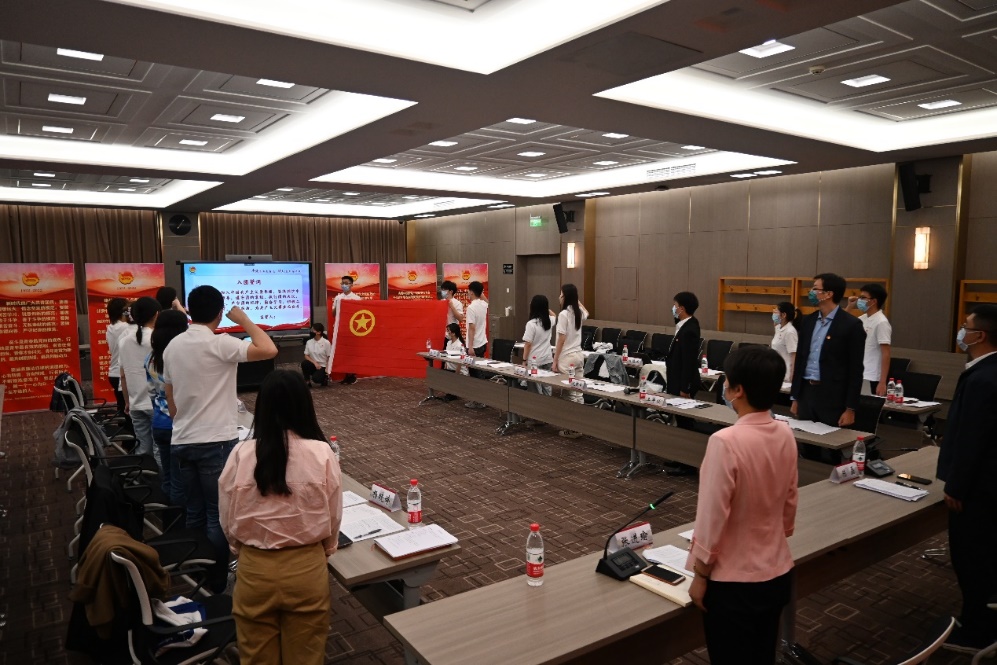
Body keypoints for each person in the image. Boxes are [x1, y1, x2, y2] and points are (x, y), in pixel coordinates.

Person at [219, 370, 342, 665]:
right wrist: (326, 548)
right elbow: (334, 514)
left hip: (255, 569)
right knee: (306, 657)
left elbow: (227, 515)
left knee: (256, 657)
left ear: (262, 407)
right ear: (304, 406)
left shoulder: (241, 453)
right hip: (306, 567)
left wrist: (239, 548)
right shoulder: (323, 453)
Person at [687, 346, 798, 665]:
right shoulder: (785, 433)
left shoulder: (725, 442)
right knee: (762, 656)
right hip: (776, 572)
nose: (723, 387)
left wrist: (701, 574)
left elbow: (712, 517)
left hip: (733, 585)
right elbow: (790, 499)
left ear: (738, 391)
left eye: (726, 382)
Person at [164, 285, 278, 591]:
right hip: (215, 441)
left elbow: (171, 400)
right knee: (217, 515)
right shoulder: (221, 343)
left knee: (194, 510)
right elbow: (269, 349)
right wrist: (244, 320)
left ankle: (197, 573)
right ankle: (215, 582)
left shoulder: (173, 346)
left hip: (182, 439)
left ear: (190, 310)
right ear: (219, 312)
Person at [937, 304, 997, 655]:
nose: (961, 330)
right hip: (988, 484)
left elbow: (972, 438)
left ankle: (977, 633)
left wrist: (956, 485)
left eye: (966, 326)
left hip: (976, 490)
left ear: (980, 336)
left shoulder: (983, 379)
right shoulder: (986, 371)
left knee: (972, 559)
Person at [790, 273, 865, 431]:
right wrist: (795, 396)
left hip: (833, 396)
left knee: (831, 442)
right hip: (806, 393)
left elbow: (856, 369)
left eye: (815, 289)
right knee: (805, 440)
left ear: (828, 294)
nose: (811, 292)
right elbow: (800, 360)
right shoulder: (808, 321)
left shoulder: (851, 325)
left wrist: (850, 408)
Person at [145, 309, 188, 505]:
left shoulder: (150, 358)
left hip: (159, 422)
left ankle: (167, 511)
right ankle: (177, 517)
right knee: (180, 480)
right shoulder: (180, 358)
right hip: (177, 424)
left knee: (168, 476)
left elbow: (151, 392)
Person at [117, 296, 159, 457]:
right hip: (156, 405)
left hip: (135, 403)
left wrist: (127, 401)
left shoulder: (124, 341)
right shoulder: (156, 339)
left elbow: (123, 376)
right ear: (156, 314)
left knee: (143, 448)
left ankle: (144, 472)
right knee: (159, 450)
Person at [552, 284, 589, 438]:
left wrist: (555, 361)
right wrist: (576, 300)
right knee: (578, 393)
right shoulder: (578, 312)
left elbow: (561, 339)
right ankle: (580, 425)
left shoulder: (564, 314)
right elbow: (587, 312)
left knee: (569, 394)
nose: (559, 297)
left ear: (566, 297)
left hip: (567, 358)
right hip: (579, 356)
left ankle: (572, 428)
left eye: (561, 294)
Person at [845, 283, 892, 397]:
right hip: (859, 372)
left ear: (873, 301)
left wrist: (882, 382)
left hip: (872, 376)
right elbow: (841, 323)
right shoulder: (862, 319)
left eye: (863, 297)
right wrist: (849, 306)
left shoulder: (881, 322)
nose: (859, 300)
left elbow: (886, 353)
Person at [666, 291, 703, 399]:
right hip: (675, 378)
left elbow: (689, 360)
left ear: (681, 308)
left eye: (675, 305)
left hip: (682, 383)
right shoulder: (684, 324)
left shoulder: (689, 330)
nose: (673, 308)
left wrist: (685, 388)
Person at [522, 295, 556, 396]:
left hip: (534, 360)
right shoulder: (549, 321)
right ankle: (547, 404)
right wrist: (545, 308)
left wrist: (524, 360)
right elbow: (554, 315)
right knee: (547, 387)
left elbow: (528, 344)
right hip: (547, 358)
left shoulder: (531, 324)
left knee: (535, 389)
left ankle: (537, 405)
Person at [464, 280, 489, 409]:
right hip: (482, 342)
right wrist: (481, 293)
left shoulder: (471, 307)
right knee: (480, 372)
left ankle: (479, 399)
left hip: (474, 345)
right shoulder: (483, 304)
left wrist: (470, 346)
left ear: (472, 292)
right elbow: (487, 301)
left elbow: (472, 328)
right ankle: (481, 398)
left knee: (474, 374)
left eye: (469, 291)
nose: (467, 293)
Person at [332, 275, 360, 385]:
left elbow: (359, 314)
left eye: (346, 283)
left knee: (351, 352)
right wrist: (338, 306)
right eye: (342, 283)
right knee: (343, 352)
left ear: (351, 285)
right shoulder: (338, 298)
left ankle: (352, 374)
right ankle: (346, 374)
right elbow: (333, 314)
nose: (344, 285)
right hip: (340, 328)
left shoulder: (356, 298)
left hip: (352, 329)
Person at [105, 297, 131, 415]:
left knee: (122, 408)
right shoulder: (125, 327)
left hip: (113, 373)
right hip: (121, 374)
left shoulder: (110, 328)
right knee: (127, 411)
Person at [770, 301, 801, 383]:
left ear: (784, 315)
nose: (774, 313)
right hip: (776, 370)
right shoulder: (778, 328)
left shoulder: (790, 331)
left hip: (786, 375)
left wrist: (792, 376)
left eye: (776, 312)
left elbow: (794, 355)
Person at [301, 323, 330, 387]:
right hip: (314, 364)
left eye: (313, 330)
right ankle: (307, 381)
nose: (311, 331)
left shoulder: (326, 343)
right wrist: (315, 363)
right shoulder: (309, 342)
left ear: (319, 332)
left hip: (322, 366)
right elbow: (306, 355)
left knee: (316, 379)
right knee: (304, 363)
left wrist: (327, 369)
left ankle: (324, 378)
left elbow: (329, 356)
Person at [440, 280, 464, 348]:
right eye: (442, 290)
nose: (442, 291)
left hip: (452, 334)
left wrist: (452, 307)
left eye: (444, 290)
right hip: (442, 334)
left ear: (451, 291)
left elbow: (460, 318)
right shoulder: (441, 302)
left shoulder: (457, 303)